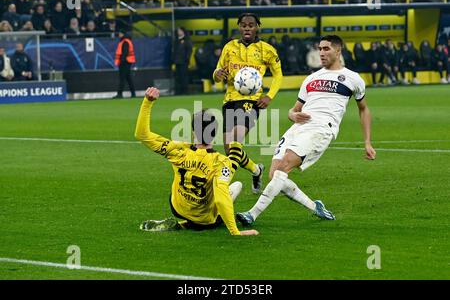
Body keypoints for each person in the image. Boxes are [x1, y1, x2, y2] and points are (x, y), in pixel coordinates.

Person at [236, 35, 376, 226]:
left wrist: (367, 141)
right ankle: (314, 207)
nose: (321, 53)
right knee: (274, 174)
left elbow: (364, 109)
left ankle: (252, 214)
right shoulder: (311, 78)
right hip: (298, 127)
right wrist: (293, 115)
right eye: (320, 49)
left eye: (326, 49)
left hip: (321, 129)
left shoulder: (353, 78)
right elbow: (293, 110)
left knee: (284, 166)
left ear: (338, 50)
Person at [135, 86, 259, 236]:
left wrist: (148, 102)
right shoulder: (220, 162)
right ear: (214, 134)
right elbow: (220, 200)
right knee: (236, 185)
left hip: (178, 208)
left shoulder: (178, 150)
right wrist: (235, 231)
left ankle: (185, 221)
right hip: (205, 219)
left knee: (186, 183)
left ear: (193, 130)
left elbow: (142, 135)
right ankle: (187, 225)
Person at [213, 13, 283, 194]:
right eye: (244, 25)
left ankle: (223, 184)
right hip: (230, 100)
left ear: (257, 27)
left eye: (251, 25)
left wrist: (269, 96)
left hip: (252, 102)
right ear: (239, 27)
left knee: (237, 138)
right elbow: (217, 71)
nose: (247, 28)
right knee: (230, 149)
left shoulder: (266, 50)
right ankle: (256, 170)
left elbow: (278, 75)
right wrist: (217, 75)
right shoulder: (229, 47)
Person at [113, 30, 136, 98]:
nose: (119, 35)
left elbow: (125, 52)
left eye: (120, 33)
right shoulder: (127, 41)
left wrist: (122, 61)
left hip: (125, 62)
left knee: (122, 78)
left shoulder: (125, 41)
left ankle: (120, 94)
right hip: (127, 62)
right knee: (128, 78)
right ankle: (133, 93)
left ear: (122, 34)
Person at [172, 27, 193, 95]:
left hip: (184, 62)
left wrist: (186, 59)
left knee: (184, 76)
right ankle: (178, 91)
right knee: (178, 77)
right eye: (178, 31)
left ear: (183, 31)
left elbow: (189, 50)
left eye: (180, 30)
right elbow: (174, 51)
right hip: (177, 61)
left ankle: (185, 91)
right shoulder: (176, 41)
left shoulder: (187, 40)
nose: (179, 32)